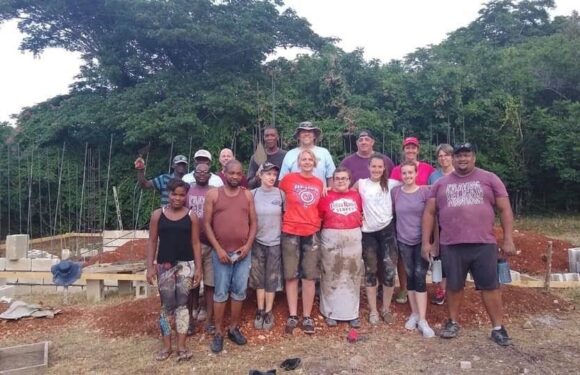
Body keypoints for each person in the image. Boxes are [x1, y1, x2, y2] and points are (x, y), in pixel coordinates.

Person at [422, 143, 516, 346]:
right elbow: (429, 213)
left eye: (466, 155)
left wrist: (508, 238)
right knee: (454, 286)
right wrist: (426, 243)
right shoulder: (441, 183)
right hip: (452, 244)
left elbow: (505, 209)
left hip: (483, 243)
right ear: (453, 159)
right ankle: (453, 322)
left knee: (490, 286)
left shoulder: (489, 179)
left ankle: (498, 328)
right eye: (458, 156)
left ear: (474, 157)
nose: (462, 159)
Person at [146, 179, 202, 362]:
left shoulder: (191, 215)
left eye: (181, 195)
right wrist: (150, 267)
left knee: (183, 305)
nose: (177, 198)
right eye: (174, 194)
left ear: (186, 196)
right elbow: (152, 241)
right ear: (168, 194)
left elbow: (195, 242)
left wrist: (199, 268)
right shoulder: (157, 215)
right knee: (166, 305)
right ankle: (166, 346)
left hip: (186, 265)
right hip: (164, 266)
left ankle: (182, 345)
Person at [204, 160, 257, 353]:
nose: (235, 176)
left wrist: (248, 246)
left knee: (239, 291)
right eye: (231, 173)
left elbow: (253, 223)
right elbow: (207, 225)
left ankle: (233, 329)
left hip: (243, 252)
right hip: (222, 253)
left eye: (238, 173)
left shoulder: (248, 195)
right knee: (220, 293)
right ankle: (218, 332)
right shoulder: (213, 194)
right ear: (224, 173)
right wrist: (218, 249)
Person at [279, 149, 324, 334]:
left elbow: (320, 206)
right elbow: (278, 196)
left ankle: (306, 316)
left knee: (309, 276)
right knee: (291, 275)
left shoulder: (319, 183)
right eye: (303, 159)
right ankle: (292, 315)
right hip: (290, 230)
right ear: (299, 162)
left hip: (311, 231)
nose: (306, 162)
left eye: (309, 159)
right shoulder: (288, 179)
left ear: (314, 163)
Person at [353, 155, 399, 325]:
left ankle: (385, 308)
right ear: (369, 167)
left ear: (384, 168)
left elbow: (413, 187)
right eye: (374, 166)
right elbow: (347, 195)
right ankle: (373, 310)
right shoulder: (361, 183)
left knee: (388, 270)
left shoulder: (393, 184)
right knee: (371, 271)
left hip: (387, 231)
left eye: (380, 167)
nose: (377, 169)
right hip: (368, 233)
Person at [392, 161, 435, 338]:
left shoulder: (425, 192)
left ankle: (423, 319)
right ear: (400, 175)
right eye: (404, 173)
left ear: (416, 174)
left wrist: (432, 242)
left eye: (410, 173)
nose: (407, 176)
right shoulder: (395, 193)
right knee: (409, 277)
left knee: (420, 276)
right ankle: (414, 313)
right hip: (403, 240)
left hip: (421, 241)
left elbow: (433, 216)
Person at [390, 137, 435, 304]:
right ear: (404, 150)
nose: (410, 150)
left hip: (423, 219)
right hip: (404, 220)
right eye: (407, 148)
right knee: (404, 260)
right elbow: (394, 191)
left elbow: (433, 188)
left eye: (413, 148)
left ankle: (428, 290)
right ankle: (404, 288)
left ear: (418, 149)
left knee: (423, 260)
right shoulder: (396, 170)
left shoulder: (428, 168)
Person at [318, 167, 364, 328]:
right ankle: (330, 311)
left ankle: (352, 313)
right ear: (333, 180)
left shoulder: (357, 195)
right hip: (331, 236)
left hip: (353, 237)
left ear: (350, 180)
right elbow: (319, 217)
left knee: (352, 274)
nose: (341, 181)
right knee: (331, 273)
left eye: (344, 178)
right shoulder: (325, 195)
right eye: (337, 178)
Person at [250, 162, 285, 330]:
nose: (272, 177)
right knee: (258, 277)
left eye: (274, 174)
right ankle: (260, 309)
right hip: (257, 241)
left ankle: (269, 311)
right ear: (260, 175)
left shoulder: (280, 194)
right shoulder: (252, 194)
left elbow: (286, 216)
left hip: (275, 242)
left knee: (272, 276)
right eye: (268, 174)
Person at [185, 163, 217, 335]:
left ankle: (210, 321)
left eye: (205, 172)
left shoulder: (215, 191)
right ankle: (190, 320)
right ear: (194, 174)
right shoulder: (187, 191)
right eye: (199, 172)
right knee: (192, 284)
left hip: (211, 244)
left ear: (210, 174)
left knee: (211, 284)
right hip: (191, 244)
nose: (202, 174)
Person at [428, 144, 454, 305]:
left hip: (456, 221)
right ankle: (441, 289)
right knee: (438, 256)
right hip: (438, 220)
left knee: (454, 256)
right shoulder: (434, 176)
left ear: (452, 157)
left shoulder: (459, 173)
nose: (443, 158)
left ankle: (454, 288)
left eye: (446, 155)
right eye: (440, 156)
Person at [279, 121, 335, 186]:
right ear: (298, 136)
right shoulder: (290, 154)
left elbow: (331, 176)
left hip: (320, 195)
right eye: (303, 132)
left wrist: (331, 192)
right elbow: (282, 180)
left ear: (314, 136)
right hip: (296, 195)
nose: (306, 134)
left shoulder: (324, 152)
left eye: (310, 132)